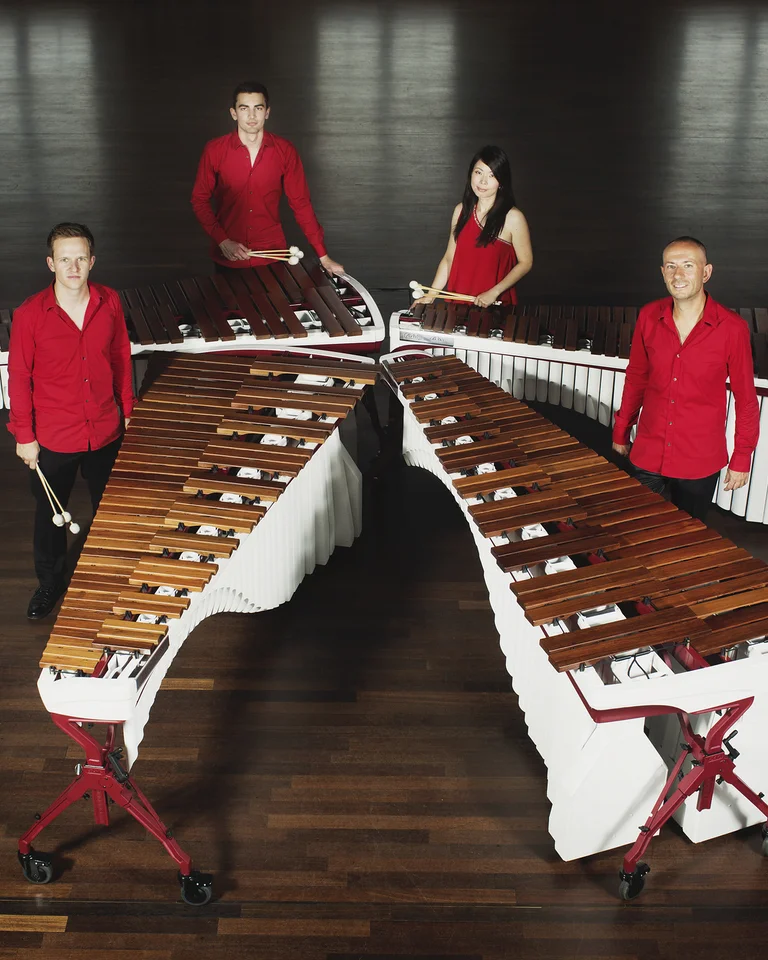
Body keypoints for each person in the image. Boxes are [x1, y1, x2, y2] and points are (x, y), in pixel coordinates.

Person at [8, 223, 134, 619]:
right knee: (50, 516)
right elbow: (19, 377)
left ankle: (109, 576)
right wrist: (24, 436)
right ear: (51, 264)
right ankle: (50, 584)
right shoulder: (30, 314)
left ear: (92, 261)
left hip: (104, 428)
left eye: (80, 258)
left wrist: (128, 410)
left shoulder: (110, 301)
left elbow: (120, 357)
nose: (73, 267)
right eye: (65, 259)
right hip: (53, 437)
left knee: (109, 510)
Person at [612, 236, 759, 521]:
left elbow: (746, 399)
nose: (678, 275)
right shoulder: (648, 316)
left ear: (706, 272)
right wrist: (621, 429)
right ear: (662, 272)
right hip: (648, 450)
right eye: (671, 266)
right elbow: (636, 378)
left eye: (688, 265)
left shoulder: (733, 328)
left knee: (686, 533)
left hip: (699, 460)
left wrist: (742, 457)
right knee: (636, 528)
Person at [191, 80, 344, 275]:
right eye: (244, 108)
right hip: (228, 257)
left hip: (271, 254)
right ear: (234, 113)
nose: (252, 116)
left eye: (258, 108)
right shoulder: (214, 150)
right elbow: (199, 200)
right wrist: (223, 241)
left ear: (267, 112)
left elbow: (301, 204)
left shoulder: (285, 151)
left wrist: (324, 256)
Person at [420, 145, 533, 307]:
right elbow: (449, 259)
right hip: (458, 302)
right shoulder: (461, 211)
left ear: (501, 181)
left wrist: (494, 292)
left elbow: (526, 262)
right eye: (478, 172)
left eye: (491, 175)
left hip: (494, 305)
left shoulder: (513, 217)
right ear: (471, 174)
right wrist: (431, 295)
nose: (483, 181)